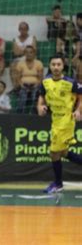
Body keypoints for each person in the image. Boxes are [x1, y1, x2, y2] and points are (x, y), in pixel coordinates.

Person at [37, 54, 82, 194]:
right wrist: (40, 106)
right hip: (55, 120)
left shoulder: (71, 82)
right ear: (50, 66)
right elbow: (41, 97)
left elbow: (80, 97)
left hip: (66, 121)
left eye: (59, 65)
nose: (56, 67)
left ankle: (58, 184)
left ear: (63, 66)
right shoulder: (45, 82)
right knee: (63, 152)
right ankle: (58, 183)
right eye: (53, 65)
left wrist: (78, 110)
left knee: (53, 152)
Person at [15, 46, 44, 114]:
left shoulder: (39, 63)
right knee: (22, 98)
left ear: (34, 54)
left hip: (35, 86)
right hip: (23, 86)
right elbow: (18, 77)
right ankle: (19, 116)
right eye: (27, 52)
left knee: (35, 97)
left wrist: (36, 85)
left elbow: (40, 78)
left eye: (31, 52)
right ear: (24, 53)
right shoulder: (20, 63)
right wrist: (22, 85)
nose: (29, 54)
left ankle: (35, 115)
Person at [9, 21, 37, 90]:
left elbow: (33, 51)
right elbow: (16, 52)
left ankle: (28, 87)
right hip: (18, 59)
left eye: (25, 29)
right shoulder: (15, 39)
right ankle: (16, 87)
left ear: (27, 29)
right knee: (13, 66)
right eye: (21, 29)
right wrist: (27, 50)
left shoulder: (32, 38)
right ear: (19, 29)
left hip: (30, 58)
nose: (23, 31)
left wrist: (22, 51)